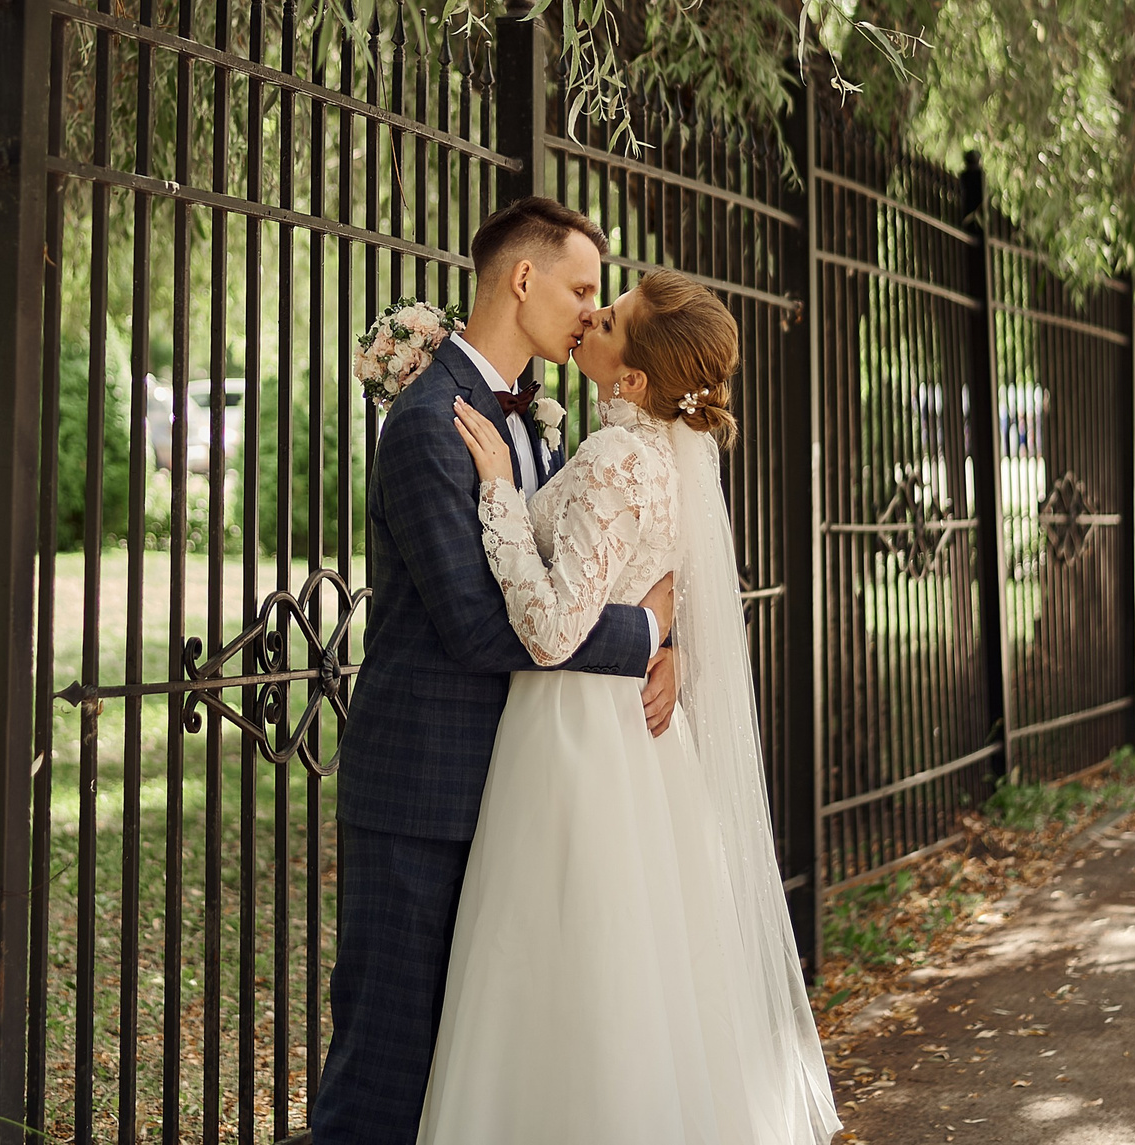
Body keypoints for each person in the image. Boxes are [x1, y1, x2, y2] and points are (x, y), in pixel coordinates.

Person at [417, 268, 838, 1145]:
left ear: (632, 378)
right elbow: (656, 585)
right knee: (637, 978)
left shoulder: (615, 458)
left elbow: (549, 627)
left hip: (573, 735)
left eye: (606, 317)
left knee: (561, 966)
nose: (589, 318)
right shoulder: (671, 461)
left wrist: (496, 486)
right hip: (637, 741)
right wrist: (663, 636)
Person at [311, 196, 677, 1145]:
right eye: (582, 288)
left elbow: (578, 572)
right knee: (386, 1074)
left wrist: (668, 642)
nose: (592, 313)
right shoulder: (430, 425)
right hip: (423, 797)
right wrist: (642, 640)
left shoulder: (539, 425)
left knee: (475, 1080)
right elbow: (479, 627)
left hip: (520, 798)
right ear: (524, 278)